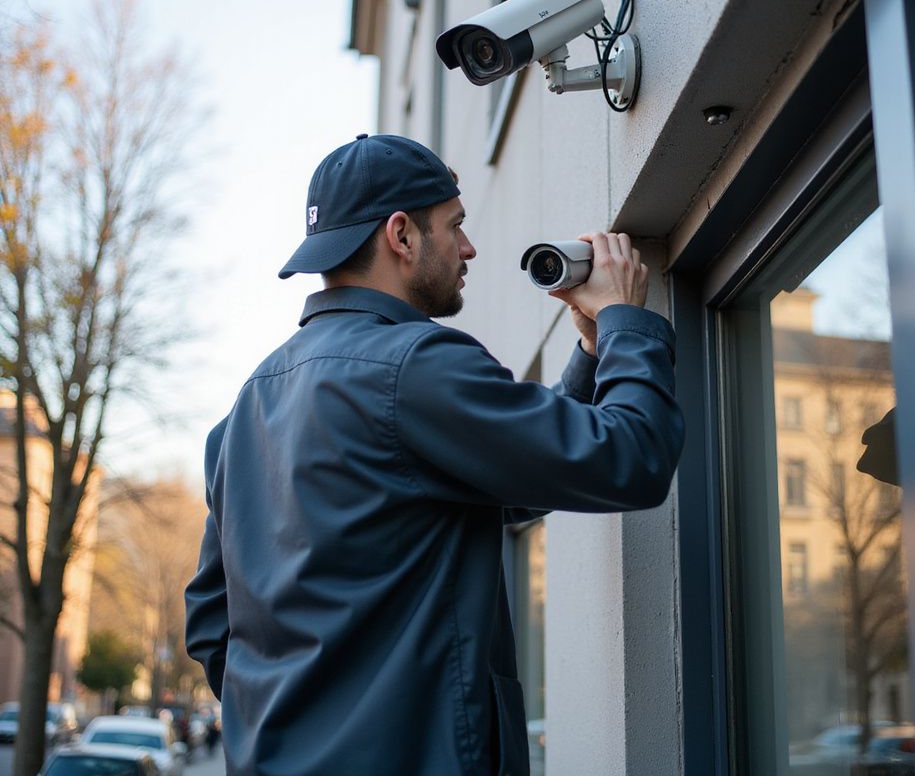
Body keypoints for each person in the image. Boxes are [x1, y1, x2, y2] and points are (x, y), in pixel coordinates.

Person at [184, 133, 685, 776]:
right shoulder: (413, 364)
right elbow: (632, 459)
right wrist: (624, 320)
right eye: (456, 225)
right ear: (402, 235)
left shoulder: (241, 414)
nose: (469, 247)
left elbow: (210, 628)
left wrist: (593, 355)